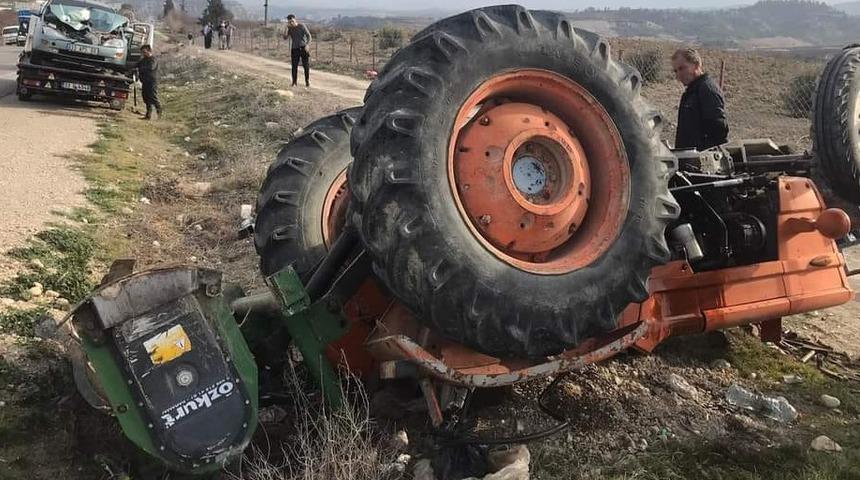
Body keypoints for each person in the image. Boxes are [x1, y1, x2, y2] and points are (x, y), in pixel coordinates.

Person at [671, 47, 728, 150]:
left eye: (682, 68)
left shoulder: (706, 89)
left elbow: (719, 130)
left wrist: (701, 152)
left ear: (696, 65)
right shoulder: (692, 91)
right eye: (676, 71)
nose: (678, 75)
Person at [284, 14, 311, 87]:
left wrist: (307, 45)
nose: (291, 23)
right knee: (294, 66)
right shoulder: (290, 28)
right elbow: (285, 38)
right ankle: (294, 82)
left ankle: (307, 81)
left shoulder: (301, 26)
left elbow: (309, 36)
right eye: (290, 22)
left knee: (306, 65)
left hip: (303, 47)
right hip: (294, 49)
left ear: (295, 19)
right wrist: (286, 28)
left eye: (292, 21)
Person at [137, 45, 162, 120]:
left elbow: (151, 67)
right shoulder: (144, 59)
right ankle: (148, 115)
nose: (143, 54)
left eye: (144, 52)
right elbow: (137, 65)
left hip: (152, 82)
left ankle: (159, 114)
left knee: (153, 97)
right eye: (142, 52)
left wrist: (141, 69)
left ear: (149, 51)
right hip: (145, 81)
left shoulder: (153, 59)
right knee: (146, 98)